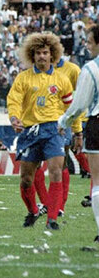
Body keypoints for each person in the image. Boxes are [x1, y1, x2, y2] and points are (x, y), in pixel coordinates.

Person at [7, 32, 82, 230]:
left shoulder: (62, 79)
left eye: (45, 53)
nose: (42, 56)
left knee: (56, 171)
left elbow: (70, 108)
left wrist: (78, 132)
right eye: (38, 53)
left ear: (52, 55)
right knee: (26, 180)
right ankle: (33, 211)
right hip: (30, 131)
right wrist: (14, 118)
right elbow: (13, 100)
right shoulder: (23, 78)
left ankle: (52, 219)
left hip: (54, 130)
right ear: (33, 55)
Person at [58, 24, 99, 244]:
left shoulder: (91, 68)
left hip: (97, 123)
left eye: (89, 41)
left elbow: (80, 103)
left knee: (97, 180)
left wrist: (64, 121)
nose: (87, 45)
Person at [33, 56, 82, 217]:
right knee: (34, 165)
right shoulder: (34, 71)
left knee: (61, 165)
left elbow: (81, 95)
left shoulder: (72, 70)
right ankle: (47, 203)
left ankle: (60, 206)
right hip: (37, 123)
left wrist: (77, 128)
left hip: (62, 123)